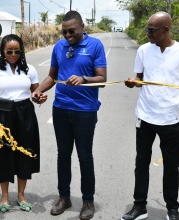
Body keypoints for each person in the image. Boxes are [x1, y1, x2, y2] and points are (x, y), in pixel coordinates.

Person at [121, 11, 179, 220]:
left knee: (171, 166)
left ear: (165, 29)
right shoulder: (143, 50)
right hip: (145, 115)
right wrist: (133, 82)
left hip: (170, 119)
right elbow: (140, 78)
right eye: (147, 29)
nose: (147, 33)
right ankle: (139, 206)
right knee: (141, 163)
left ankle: (172, 209)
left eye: (151, 30)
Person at [32, 11, 107, 220]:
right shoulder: (59, 46)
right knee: (63, 155)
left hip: (85, 111)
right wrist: (39, 90)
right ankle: (64, 197)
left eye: (71, 31)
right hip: (61, 109)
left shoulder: (95, 46)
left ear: (82, 26)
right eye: (64, 31)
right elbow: (52, 77)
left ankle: (88, 202)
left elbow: (102, 79)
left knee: (85, 156)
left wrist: (84, 79)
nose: (67, 35)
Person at [0, 34, 47, 213]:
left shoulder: (30, 69)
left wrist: (40, 98)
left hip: (25, 114)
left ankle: (21, 195)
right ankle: (4, 196)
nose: (13, 54)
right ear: (2, 51)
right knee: (3, 156)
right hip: (4, 115)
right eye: (9, 51)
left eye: (17, 50)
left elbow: (36, 93)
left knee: (25, 154)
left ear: (22, 51)